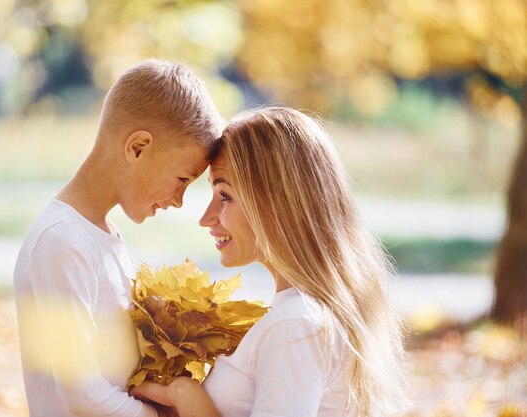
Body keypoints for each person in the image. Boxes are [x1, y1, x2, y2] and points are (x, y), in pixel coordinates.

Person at [131, 107, 409, 417]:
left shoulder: (296, 324)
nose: (205, 218)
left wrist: (185, 396)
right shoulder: (300, 315)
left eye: (225, 196)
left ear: (275, 203)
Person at [13, 59, 223, 417]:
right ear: (138, 147)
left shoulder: (101, 235)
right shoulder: (62, 241)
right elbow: (82, 392)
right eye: (182, 179)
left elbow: (116, 375)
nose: (178, 201)